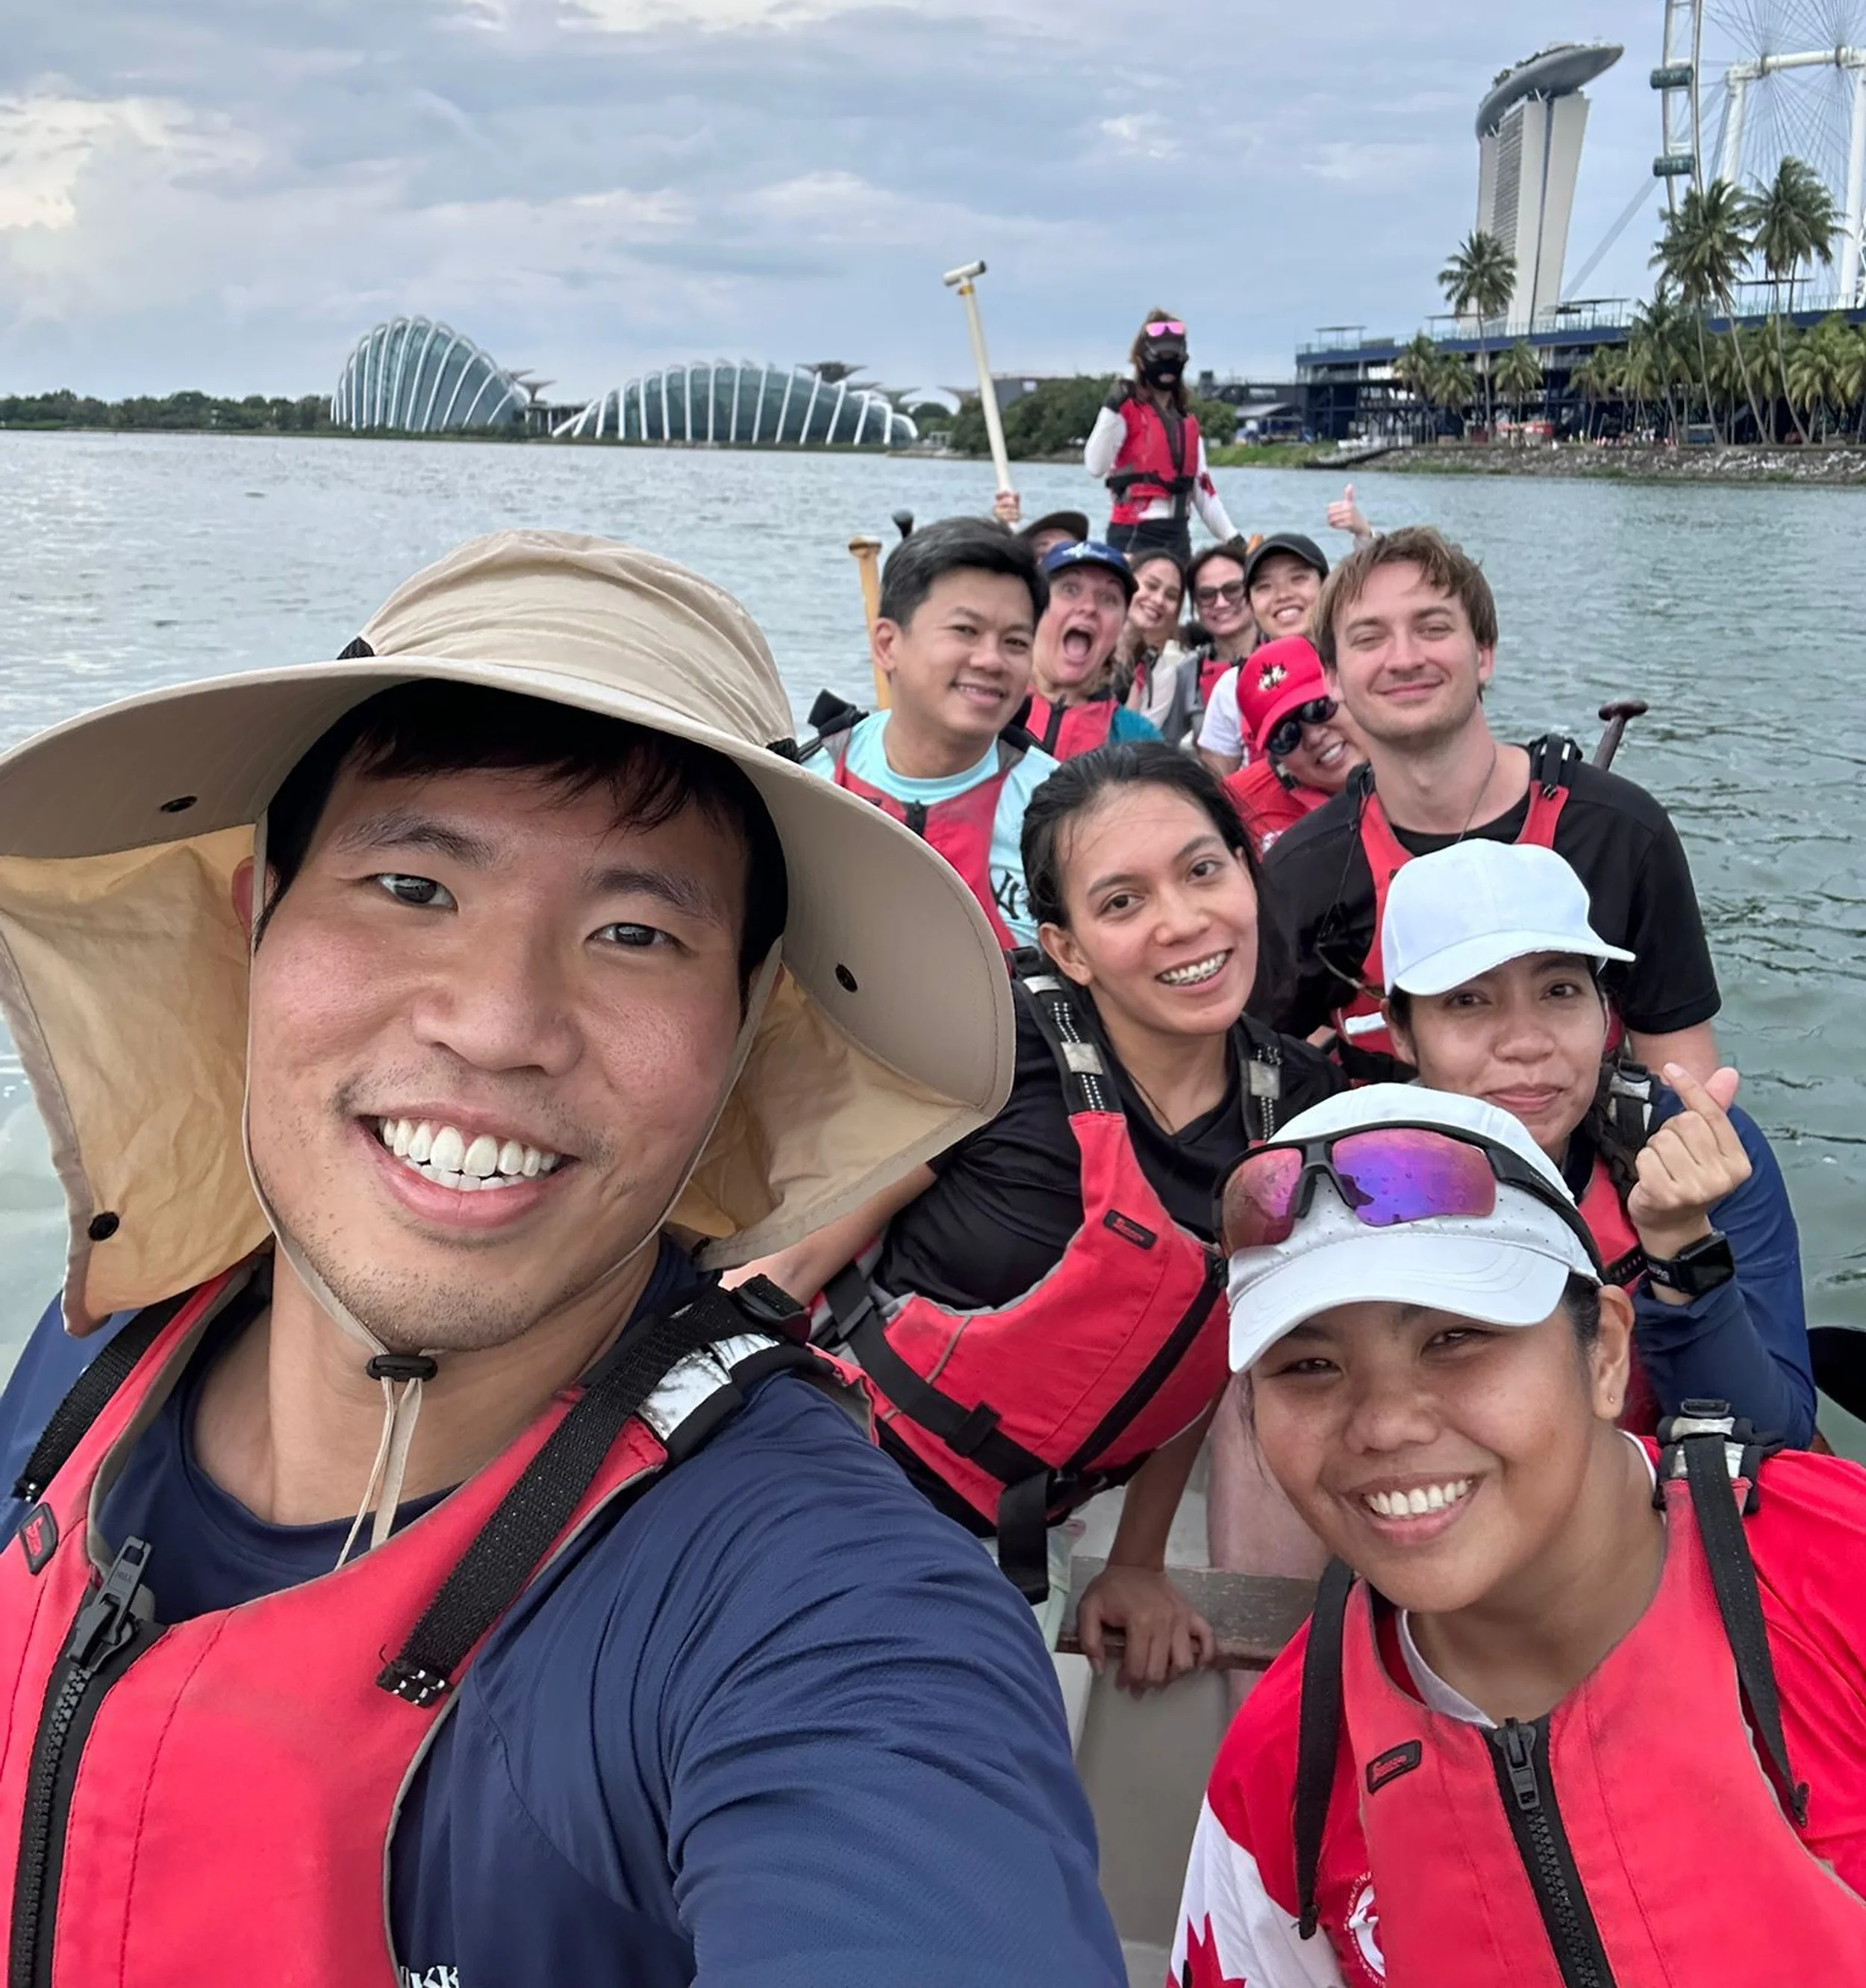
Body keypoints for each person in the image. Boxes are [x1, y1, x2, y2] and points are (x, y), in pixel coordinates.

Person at [0, 532, 1126, 1987]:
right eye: (411, 886)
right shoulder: (99, 1353)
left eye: (633, 928)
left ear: (742, 1034)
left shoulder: (809, 1607)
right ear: (255, 927)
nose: (498, 1019)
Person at [1173, 1080, 1866, 1985]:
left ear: (1606, 1352)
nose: (1384, 1425)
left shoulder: (1834, 1570)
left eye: (1456, 1338)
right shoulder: (1282, 1775)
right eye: (1308, 1365)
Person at [738, 743, 1339, 1675]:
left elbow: (1196, 1345)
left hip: (1011, 1540)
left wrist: (1139, 1562)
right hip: (821, 1476)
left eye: (1202, 870)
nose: (1183, 922)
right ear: (1066, 948)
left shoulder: (1295, 1107)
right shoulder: (995, 1049)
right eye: (1121, 902)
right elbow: (794, 1263)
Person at [1381, 837, 1814, 1444]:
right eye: (1469, 1000)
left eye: (1559, 990)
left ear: (1605, 1012)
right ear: (1402, 1031)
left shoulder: (1690, 1150)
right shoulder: (1355, 1184)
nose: (1525, 1042)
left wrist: (1681, 1242)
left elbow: (1772, 1439)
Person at [1266, 526, 1721, 1081]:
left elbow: (1686, 1085)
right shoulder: (1302, 873)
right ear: (1333, 677)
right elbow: (1243, 1073)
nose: (1404, 658)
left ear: (1483, 654)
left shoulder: (1621, 834)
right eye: (1369, 638)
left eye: (1433, 628)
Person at [825, 517, 1057, 950]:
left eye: (1016, 642)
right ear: (887, 645)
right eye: (965, 631)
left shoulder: (1062, 813)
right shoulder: (808, 784)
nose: (991, 660)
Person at [1083, 311, 1238, 563]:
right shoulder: (1126, 410)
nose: (1167, 366)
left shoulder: (1186, 423)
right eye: (1160, 357)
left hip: (1178, 536)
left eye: (1174, 358)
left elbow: (1203, 490)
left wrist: (1231, 537)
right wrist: (1111, 407)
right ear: (1142, 361)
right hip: (1133, 534)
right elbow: (1094, 466)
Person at [1197, 533, 1332, 776]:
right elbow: (1216, 787)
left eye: (1298, 578)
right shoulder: (1232, 688)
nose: (1282, 595)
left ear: (1327, 585)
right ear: (1251, 606)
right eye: (1264, 587)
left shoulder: (1358, 665)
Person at [1222, 636, 1367, 855]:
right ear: (1275, 758)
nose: (1314, 737)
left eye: (1319, 708)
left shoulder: (1422, 751)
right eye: (1285, 735)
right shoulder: (1238, 803)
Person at [1024, 539, 1161, 757]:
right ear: (1034, 606)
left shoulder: (1141, 741)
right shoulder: (987, 706)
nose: (1089, 608)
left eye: (1109, 598)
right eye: (1070, 589)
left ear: (1121, 625)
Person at [1152, 539, 1256, 747]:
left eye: (1233, 589)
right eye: (1207, 595)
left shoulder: (1286, 652)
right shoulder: (1189, 673)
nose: (1221, 603)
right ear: (1196, 606)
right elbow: (1162, 745)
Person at [1117, 546, 1190, 726]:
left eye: (1171, 596)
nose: (1159, 600)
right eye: (1151, 586)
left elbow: (1138, 747)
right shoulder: (1082, 642)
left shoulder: (1160, 674)